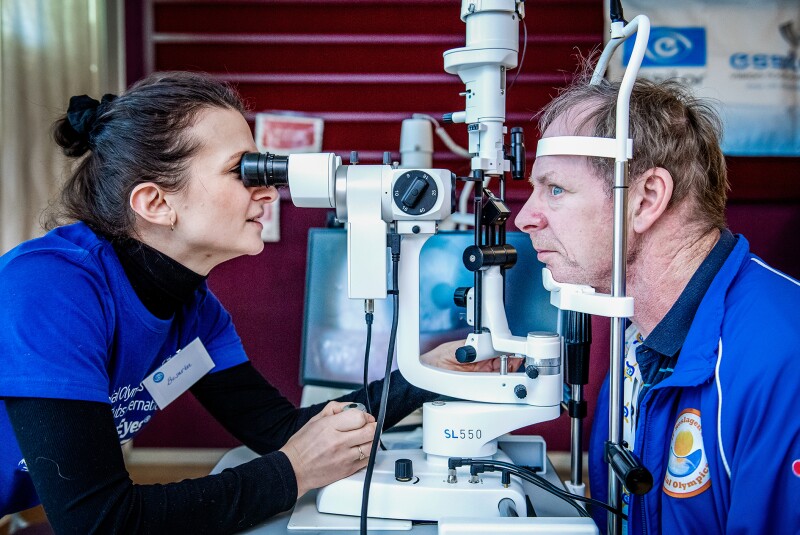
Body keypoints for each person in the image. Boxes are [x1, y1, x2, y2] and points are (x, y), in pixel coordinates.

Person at [0, 71, 496, 533]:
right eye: (244, 171)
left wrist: (424, 375)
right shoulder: (50, 289)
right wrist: (293, 473)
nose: (269, 190)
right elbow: (98, 521)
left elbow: (281, 430)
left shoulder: (195, 311)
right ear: (155, 202)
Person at [514, 70, 800, 533]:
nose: (525, 217)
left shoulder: (781, 363)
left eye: (556, 189)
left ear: (646, 198)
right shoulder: (639, 344)